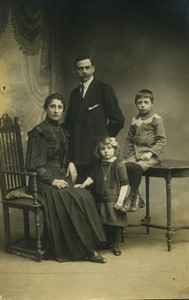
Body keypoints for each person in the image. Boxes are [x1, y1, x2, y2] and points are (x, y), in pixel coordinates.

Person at [26, 93, 107, 263]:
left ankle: (87, 244)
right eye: (52, 106)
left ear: (63, 110)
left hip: (60, 176)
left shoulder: (62, 131)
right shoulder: (39, 132)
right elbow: (34, 165)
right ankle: (84, 250)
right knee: (69, 198)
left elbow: (65, 155)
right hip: (41, 182)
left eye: (60, 107)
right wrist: (52, 180)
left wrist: (70, 162)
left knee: (84, 195)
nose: (56, 111)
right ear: (46, 108)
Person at [64, 54, 125, 183]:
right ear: (76, 70)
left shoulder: (104, 89)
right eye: (80, 68)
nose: (84, 71)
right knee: (81, 194)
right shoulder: (74, 94)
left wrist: (104, 140)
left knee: (99, 193)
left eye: (87, 67)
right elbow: (69, 124)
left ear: (93, 69)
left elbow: (118, 120)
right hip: (78, 154)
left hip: (97, 153)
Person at [75, 137, 129, 256]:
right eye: (102, 149)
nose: (106, 151)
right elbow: (92, 177)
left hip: (113, 199)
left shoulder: (118, 164)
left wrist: (120, 201)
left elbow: (125, 184)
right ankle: (105, 242)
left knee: (114, 222)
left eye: (109, 148)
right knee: (103, 221)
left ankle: (115, 244)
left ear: (115, 149)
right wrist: (83, 184)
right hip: (100, 198)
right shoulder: (99, 164)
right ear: (98, 151)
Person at [121, 89, 167, 213]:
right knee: (125, 166)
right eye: (139, 102)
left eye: (146, 102)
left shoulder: (156, 119)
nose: (142, 105)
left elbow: (162, 140)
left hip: (151, 155)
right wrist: (127, 156)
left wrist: (150, 153)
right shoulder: (135, 120)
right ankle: (137, 197)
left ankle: (131, 196)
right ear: (136, 104)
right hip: (135, 153)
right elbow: (130, 140)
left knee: (136, 168)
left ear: (152, 104)